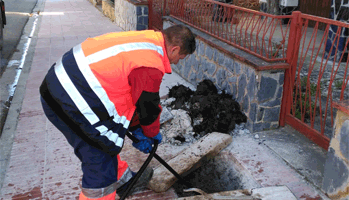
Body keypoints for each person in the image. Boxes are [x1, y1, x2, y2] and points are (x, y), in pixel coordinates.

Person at [39, 24, 196, 200]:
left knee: (108, 140)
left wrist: (136, 127)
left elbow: (134, 95)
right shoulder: (151, 64)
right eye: (180, 58)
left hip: (60, 85)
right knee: (99, 159)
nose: (177, 62)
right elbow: (148, 106)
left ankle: (122, 180)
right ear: (175, 49)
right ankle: (101, 193)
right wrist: (150, 133)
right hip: (71, 100)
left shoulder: (147, 41)